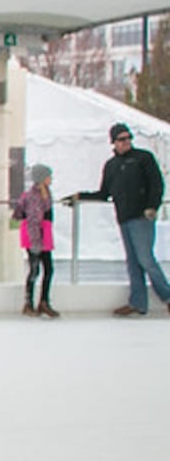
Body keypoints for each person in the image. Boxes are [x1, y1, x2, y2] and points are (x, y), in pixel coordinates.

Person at [67, 122, 169, 316]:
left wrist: (151, 207)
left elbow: (156, 184)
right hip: (124, 217)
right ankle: (138, 302)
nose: (126, 142)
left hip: (141, 217)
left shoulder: (143, 158)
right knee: (132, 261)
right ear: (113, 142)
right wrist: (81, 196)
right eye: (121, 139)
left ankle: (167, 296)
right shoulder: (112, 166)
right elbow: (104, 192)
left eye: (128, 138)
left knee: (146, 258)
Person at [16, 164, 59, 319]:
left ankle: (43, 302)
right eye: (48, 176)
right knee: (35, 269)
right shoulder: (33, 196)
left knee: (48, 268)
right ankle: (29, 303)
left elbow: (47, 209)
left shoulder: (45, 193)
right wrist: (36, 243)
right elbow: (34, 220)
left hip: (44, 234)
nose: (51, 179)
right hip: (35, 235)